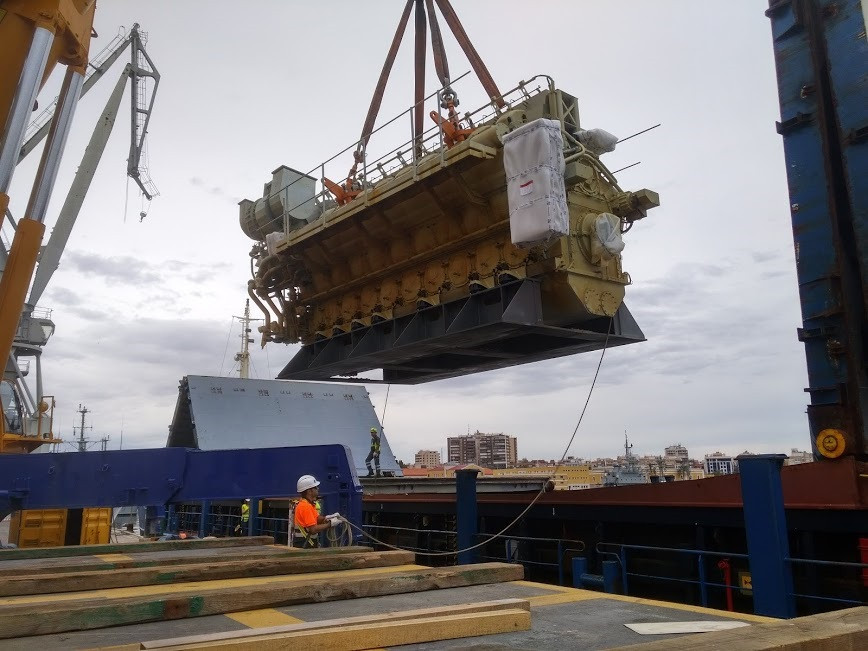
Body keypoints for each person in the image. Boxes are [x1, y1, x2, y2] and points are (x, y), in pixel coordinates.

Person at [294, 475, 340, 548]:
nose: (318, 488)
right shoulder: (305, 506)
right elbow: (313, 529)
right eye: (315, 487)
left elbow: (317, 518)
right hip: (304, 545)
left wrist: (327, 518)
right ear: (309, 491)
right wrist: (330, 524)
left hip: (307, 543)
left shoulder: (308, 504)